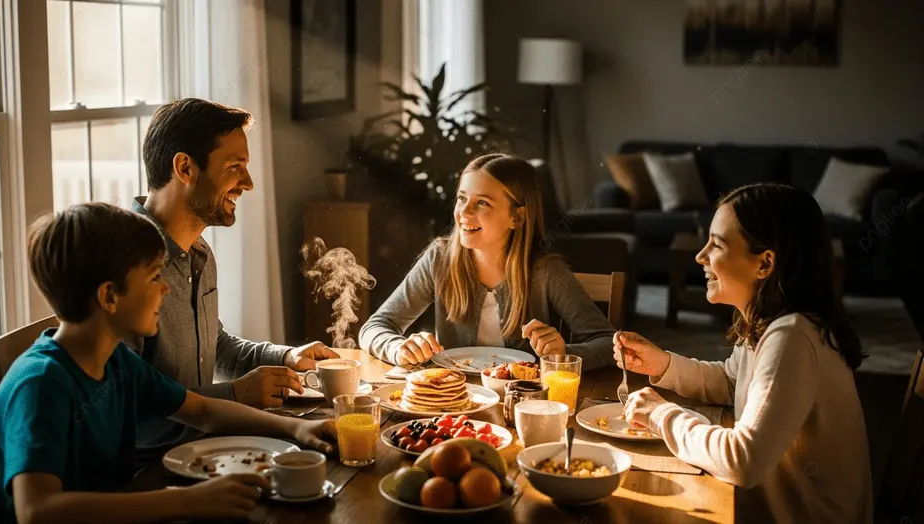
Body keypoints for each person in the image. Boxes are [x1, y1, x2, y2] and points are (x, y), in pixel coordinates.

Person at [0, 203, 337, 524]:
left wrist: (294, 430)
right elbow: (37, 511)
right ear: (109, 296)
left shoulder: (117, 361)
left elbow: (203, 411)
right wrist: (187, 500)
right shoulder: (40, 384)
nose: (166, 288)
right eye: (155, 276)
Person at [617, 183, 872, 523]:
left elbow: (742, 460)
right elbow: (732, 379)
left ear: (765, 263)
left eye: (716, 244)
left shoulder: (792, 337)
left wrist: (661, 415)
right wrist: (663, 363)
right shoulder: (773, 321)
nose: (700, 255)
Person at [127, 98, 339, 462]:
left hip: (207, 450)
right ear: (185, 167)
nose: (249, 183)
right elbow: (131, 416)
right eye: (234, 166)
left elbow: (215, 343)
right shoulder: (126, 269)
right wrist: (235, 395)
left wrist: (286, 356)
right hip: (151, 472)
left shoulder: (198, 252)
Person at [360, 153, 616, 369]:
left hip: (522, 405)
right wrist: (397, 348)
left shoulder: (545, 271)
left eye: (482, 202)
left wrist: (563, 353)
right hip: (452, 400)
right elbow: (375, 327)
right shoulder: (439, 260)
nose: (464, 212)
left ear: (517, 218)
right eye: (462, 198)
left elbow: (606, 342)